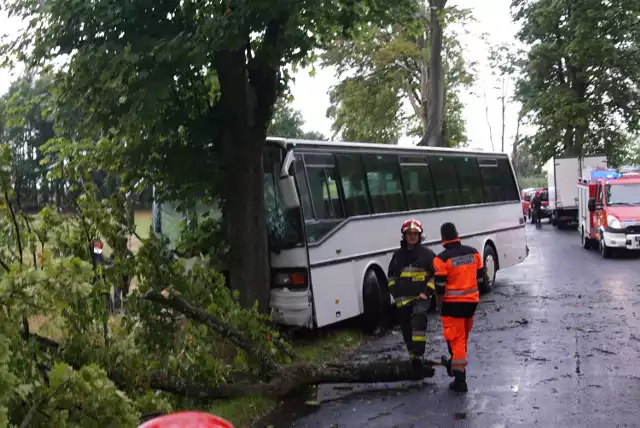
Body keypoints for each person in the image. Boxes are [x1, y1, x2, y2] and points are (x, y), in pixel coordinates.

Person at [433, 222, 484, 393]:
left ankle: (460, 380)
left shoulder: (441, 259)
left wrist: (439, 306)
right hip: (471, 304)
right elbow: (480, 276)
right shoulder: (474, 253)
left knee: (456, 342)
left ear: (443, 238)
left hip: (451, 306)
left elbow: (439, 287)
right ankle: (454, 366)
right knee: (462, 340)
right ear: (457, 234)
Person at [387, 218, 437, 376]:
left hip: (420, 298)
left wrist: (427, 293)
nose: (412, 236)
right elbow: (391, 277)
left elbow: (436, 276)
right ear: (404, 235)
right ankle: (415, 363)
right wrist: (395, 292)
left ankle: (419, 353)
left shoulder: (427, 255)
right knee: (407, 331)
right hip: (402, 300)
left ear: (420, 235)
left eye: (415, 234)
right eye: (409, 234)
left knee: (418, 318)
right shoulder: (397, 256)